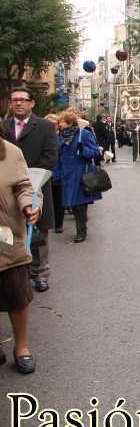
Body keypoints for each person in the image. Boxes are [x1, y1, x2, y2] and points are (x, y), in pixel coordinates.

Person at [2, 87, 57, 293]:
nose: (18, 103)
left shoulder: (44, 127)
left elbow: (50, 157)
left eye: (23, 100)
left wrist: (31, 181)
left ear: (31, 103)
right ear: (10, 103)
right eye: (14, 100)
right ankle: (13, 272)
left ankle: (40, 274)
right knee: (7, 233)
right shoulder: (4, 127)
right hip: (7, 192)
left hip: (37, 187)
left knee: (38, 234)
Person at [0, 125, 41, 374]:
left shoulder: (10, 152)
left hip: (5, 234)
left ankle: (21, 347)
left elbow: (24, 186)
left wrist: (29, 206)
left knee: (17, 293)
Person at [52, 110, 102, 243]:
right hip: (67, 174)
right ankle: (80, 227)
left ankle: (81, 230)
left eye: (62, 122)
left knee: (80, 204)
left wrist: (83, 150)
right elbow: (59, 158)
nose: (60, 124)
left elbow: (95, 152)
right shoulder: (60, 136)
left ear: (69, 122)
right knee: (72, 204)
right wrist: (56, 175)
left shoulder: (83, 134)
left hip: (81, 173)